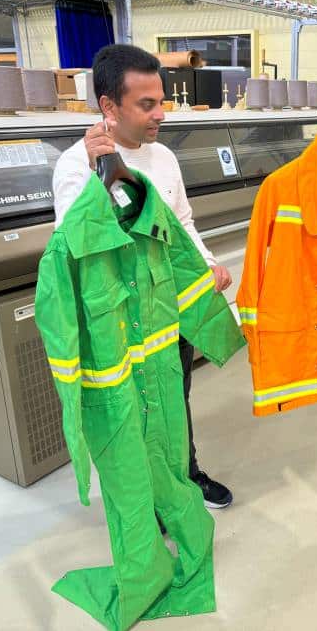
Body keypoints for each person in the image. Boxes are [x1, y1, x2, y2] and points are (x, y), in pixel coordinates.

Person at [52, 44, 235, 509]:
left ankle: (185, 477)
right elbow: (75, 244)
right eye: (146, 104)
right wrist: (98, 178)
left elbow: (182, 220)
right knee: (131, 411)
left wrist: (206, 262)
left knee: (174, 398)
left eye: (162, 101)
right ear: (109, 106)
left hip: (168, 307)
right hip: (123, 320)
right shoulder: (77, 165)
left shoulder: (163, 157)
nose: (161, 115)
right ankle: (146, 500)